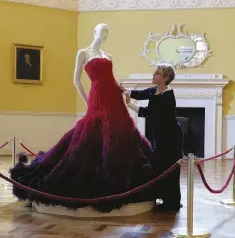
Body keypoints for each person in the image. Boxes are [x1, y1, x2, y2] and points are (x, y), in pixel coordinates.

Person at [10, 23, 159, 213]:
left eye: (108, 32)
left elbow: (110, 77)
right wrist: (87, 100)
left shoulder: (108, 56)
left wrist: (122, 92)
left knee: (119, 132)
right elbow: (76, 80)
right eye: (102, 31)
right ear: (95, 32)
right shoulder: (83, 53)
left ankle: (126, 178)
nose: (105, 34)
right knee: (92, 133)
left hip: (113, 94)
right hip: (97, 94)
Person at [120, 63, 184, 211]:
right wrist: (125, 90)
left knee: (169, 167)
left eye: (157, 73)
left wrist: (129, 104)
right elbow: (140, 93)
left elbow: (149, 112)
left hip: (171, 138)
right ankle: (163, 197)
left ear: (166, 77)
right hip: (161, 136)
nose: (153, 75)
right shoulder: (154, 90)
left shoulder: (167, 96)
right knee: (160, 166)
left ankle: (172, 202)